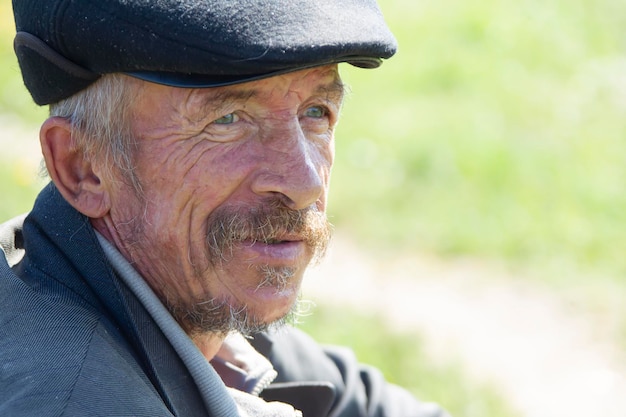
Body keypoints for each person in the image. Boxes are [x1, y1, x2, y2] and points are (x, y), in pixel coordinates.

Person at [0, 0, 450, 416]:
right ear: (82, 168)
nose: (304, 183)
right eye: (227, 119)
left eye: (316, 111)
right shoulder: (75, 400)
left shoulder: (196, 299)